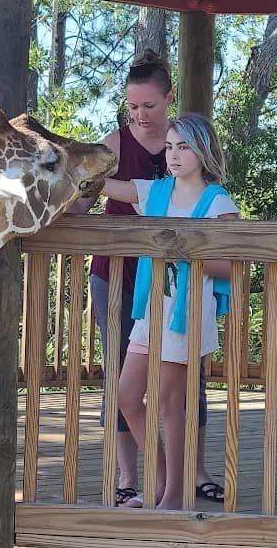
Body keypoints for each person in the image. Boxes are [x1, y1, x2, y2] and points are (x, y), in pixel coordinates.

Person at [70, 50, 223, 506]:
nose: (140, 115)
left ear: (168, 99)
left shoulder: (195, 167)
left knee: (181, 385)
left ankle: (187, 478)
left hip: (181, 290)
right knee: (123, 379)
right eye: (132, 107)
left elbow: (224, 250)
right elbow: (88, 191)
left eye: (149, 106)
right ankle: (129, 478)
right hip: (122, 278)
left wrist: (184, 253)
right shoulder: (116, 148)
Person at [100, 113, 239, 510]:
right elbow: (104, 185)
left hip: (188, 312)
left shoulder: (218, 202)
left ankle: (174, 495)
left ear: (203, 151)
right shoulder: (154, 192)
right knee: (127, 397)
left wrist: (183, 253)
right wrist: (64, 165)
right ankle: (159, 480)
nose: (174, 155)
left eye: (184, 147)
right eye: (170, 147)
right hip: (151, 309)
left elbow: (229, 267)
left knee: (168, 403)